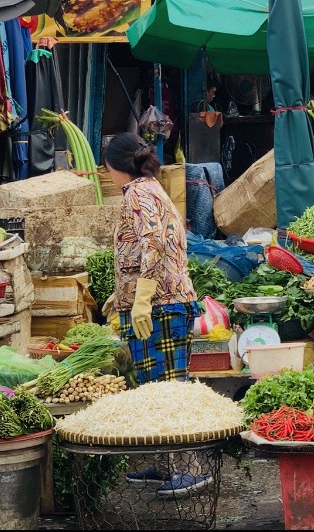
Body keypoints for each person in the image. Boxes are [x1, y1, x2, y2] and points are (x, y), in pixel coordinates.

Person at [104, 133, 209, 495]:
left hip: (161, 307)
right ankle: (166, 465)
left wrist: (142, 297)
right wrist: (122, 293)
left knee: (168, 391)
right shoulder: (151, 188)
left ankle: (190, 469)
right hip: (164, 304)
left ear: (113, 166)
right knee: (157, 389)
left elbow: (154, 243)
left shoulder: (137, 193)